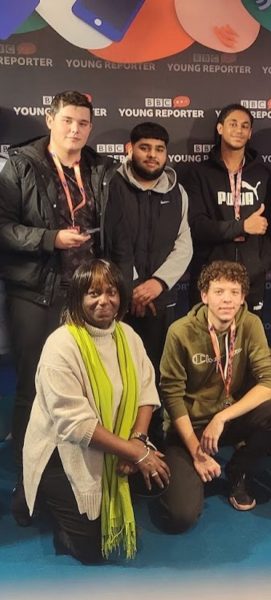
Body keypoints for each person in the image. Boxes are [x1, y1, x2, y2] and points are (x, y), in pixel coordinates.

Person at [0, 90, 117, 522]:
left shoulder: (100, 168)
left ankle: (84, 475)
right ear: (50, 120)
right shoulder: (21, 165)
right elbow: (3, 228)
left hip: (87, 295)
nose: (75, 130)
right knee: (34, 388)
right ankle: (27, 481)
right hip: (37, 291)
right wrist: (51, 239)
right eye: (67, 120)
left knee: (90, 386)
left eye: (83, 123)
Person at [22, 259, 170, 563]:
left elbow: (146, 392)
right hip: (62, 452)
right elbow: (76, 427)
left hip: (118, 443)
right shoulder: (60, 345)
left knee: (161, 484)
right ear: (78, 298)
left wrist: (139, 442)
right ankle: (36, 499)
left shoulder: (128, 336)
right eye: (93, 294)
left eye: (111, 292)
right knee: (93, 551)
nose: (104, 301)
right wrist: (134, 453)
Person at [159, 260, 271, 532]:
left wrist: (222, 417)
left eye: (234, 292)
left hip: (227, 420)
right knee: (181, 517)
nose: (227, 300)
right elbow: (171, 397)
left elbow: (269, 382)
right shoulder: (180, 332)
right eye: (219, 292)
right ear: (204, 296)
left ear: (244, 298)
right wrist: (196, 452)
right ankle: (192, 465)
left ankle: (238, 469)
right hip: (189, 426)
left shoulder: (250, 324)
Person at [105, 121, 192, 442]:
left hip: (160, 301)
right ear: (130, 149)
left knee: (154, 374)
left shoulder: (177, 192)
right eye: (145, 148)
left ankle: (150, 439)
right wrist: (132, 289)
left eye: (159, 149)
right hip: (116, 302)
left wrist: (157, 283)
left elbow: (185, 245)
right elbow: (113, 243)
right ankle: (114, 440)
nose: (152, 155)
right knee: (116, 376)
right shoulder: (111, 186)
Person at [184, 103, 271, 314]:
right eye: (233, 124)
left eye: (245, 126)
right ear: (220, 128)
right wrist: (242, 226)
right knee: (206, 342)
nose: (239, 130)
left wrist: (260, 264)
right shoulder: (198, 173)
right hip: (209, 275)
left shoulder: (262, 174)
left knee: (248, 341)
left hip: (251, 277)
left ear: (250, 133)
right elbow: (197, 226)